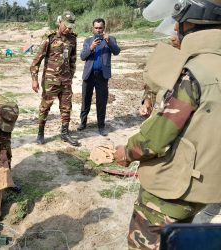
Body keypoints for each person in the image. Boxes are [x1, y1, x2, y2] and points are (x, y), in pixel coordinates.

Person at [112, 0, 221, 248]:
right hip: (206, 186)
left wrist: (127, 151)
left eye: (177, 24)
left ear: (191, 22)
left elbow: (157, 137)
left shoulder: (194, 71)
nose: (174, 31)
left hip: (172, 190)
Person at [31, 11, 79, 146]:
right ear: (60, 22)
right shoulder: (50, 38)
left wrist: (70, 76)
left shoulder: (72, 39)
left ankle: (65, 133)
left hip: (66, 81)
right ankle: (40, 133)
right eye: (67, 25)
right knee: (45, 107)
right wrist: (34, 79)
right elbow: (36, 60)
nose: (69, 29)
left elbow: (73, 60)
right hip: (51, 81)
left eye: (71, 26)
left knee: (66, 107)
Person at [78, 18, 120, 136]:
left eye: (100, 28)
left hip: (102, 76)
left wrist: (108, 41)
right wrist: (91, 47)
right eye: (96, 28)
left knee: (101, 101)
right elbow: (82, 56)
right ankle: (83, 122)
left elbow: (116, 51)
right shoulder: (87, 41)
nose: (98, 30)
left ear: (104, 28)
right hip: (89, 74)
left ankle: (101, 126)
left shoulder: (110, 39)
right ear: (93, 28)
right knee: (85, 99)